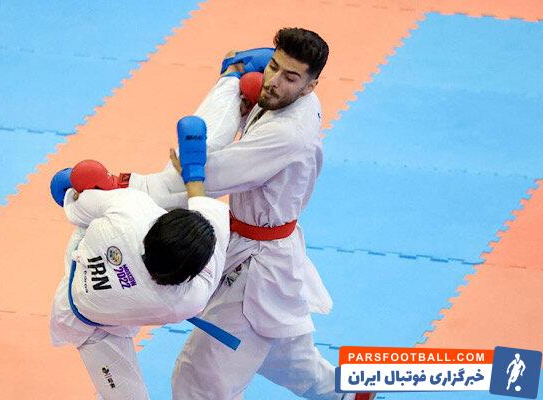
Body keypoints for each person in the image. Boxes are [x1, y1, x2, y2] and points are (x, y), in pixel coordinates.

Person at [137, 27, 370, 399]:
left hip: (258, 271)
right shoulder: (290, 97)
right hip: (262, 246)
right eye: (273, 66)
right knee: (289, 361)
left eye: (290, 77)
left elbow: (207, 176)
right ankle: (350, 394)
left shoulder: (287, 133)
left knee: (199, 380)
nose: (273, 81)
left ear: (311, 86)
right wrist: (244, 89)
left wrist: (140, 186)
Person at [49, 116, 232, 400]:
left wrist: (81, 186)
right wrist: (193, 171)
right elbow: (203, 203)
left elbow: (73, 200)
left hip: (90, 314)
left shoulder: (130, 210)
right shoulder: (191, 298)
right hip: (98, 319)